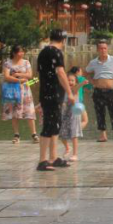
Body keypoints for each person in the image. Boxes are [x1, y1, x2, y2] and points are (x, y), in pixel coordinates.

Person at [37, 30, 75, 171]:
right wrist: (70, 93)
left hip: (46, 93)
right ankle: (42, 160)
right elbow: (60, 73)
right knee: (49, 125)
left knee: (55, 124)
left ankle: (53, 157)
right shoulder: (57, 53)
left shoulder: (42, 53)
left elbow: (40, 74)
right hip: (53, 94)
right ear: (63, 40)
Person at [85, 40, 113, 143]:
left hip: (111, 91)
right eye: (101, 48)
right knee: (100, 113)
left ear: (107, 49)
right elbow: (85, 72)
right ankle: (103, 136)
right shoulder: (93, 62)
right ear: (97, 50)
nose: (103, 50)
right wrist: (92, 81)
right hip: (98, 91)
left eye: (105, 48)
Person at [1, 45, 37, 144]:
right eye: (19, 52)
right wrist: (19, 80)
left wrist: (18, 75)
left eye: (22, 52)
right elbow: (7, 77)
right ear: (14, 53)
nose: (21, 54)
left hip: (25, 90)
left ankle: (34, 134)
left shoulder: (26, 62)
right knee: (14, 112)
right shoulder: (8, 63)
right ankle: (16, 134)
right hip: (13, 90)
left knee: (29, 111)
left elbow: (30, 75)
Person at [60, 67, 84, 162]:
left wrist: (81, 83)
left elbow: (77, 87)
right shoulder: (63, 90)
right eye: (68, 80)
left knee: (74, 134)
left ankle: (75, 154)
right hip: (64, 113)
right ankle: (67, 147)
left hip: (74, 114)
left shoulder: (74, 89)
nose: (70, 82)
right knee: (62, 133)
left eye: (72, 80)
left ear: (75, 82)